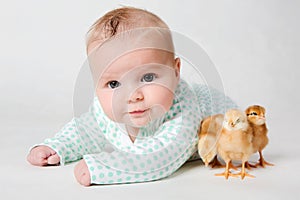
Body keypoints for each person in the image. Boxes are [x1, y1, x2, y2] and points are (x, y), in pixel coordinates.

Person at [27, 7, 236, 186]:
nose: (132, 96)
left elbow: (163, 155)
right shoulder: (105, 107)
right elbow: (87, 131)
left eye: (147, 77)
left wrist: (106, 167)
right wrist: (57, 146)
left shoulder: (184, 108)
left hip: (227, 125)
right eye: (114, 84)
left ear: (175, 71)